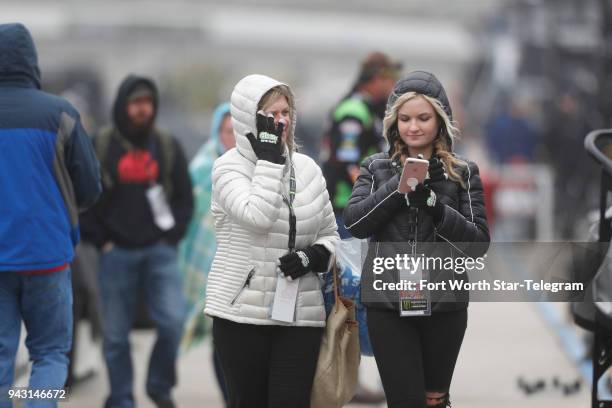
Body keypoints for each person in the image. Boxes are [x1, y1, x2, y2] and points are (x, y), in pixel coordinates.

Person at [343, 71, 490, 408]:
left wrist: (434, 205)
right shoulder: (375, 167)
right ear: (394, 122)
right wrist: (398, 190)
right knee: (405, 401)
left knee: (434, 400)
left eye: (423, 118)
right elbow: (356, 223)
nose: (414, 127)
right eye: (405, 118)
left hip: (445, 304)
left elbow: (477, 244)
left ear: (440, 120)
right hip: (387, 304)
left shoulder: (463, 172)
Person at [204, 74, 340, 408]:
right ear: (249, 118)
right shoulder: (227, 168)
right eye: (271, 114)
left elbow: (331, 235)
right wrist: (268, 161)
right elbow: (258, 216)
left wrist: (315, 257)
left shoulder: (308, 168)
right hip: (241, 315)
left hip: (300, 312)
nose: (281, 121)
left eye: (285, 112)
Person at [0, 23, 101, 407]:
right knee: (51, 354)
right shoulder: (61, 115)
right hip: (48, 256)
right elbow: (90, 188)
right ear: (30, 61)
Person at [81, 75, 194, 408]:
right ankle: (121, 397)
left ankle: (159, 386)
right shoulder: (100, 145)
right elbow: (82, 197)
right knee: (115, 335)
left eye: (148, 103)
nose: (142, 109)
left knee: (173, 322)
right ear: (122, 105)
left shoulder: (167, 146)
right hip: (115, 252)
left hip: (160, 251)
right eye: (136, 102)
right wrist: (100, 240)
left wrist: (171, 236)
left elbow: (184, 199)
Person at [178, 102, 233, 402]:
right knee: (219, 338)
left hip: (241, 265)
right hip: (208, 264)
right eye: (227, 131)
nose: (233, 138)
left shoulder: (256, 167)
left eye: (239, 131)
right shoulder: (201, 168)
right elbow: (192, 223)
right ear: (216, 132)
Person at [321, 51, 401, 238]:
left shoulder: (371, 108)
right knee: (354, 266)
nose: (393, 85)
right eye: (390, 79)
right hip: (347, 207)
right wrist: (374, 200)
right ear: (377, 79)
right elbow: (348, 162)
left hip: (359, 206)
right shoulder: (354, 110)